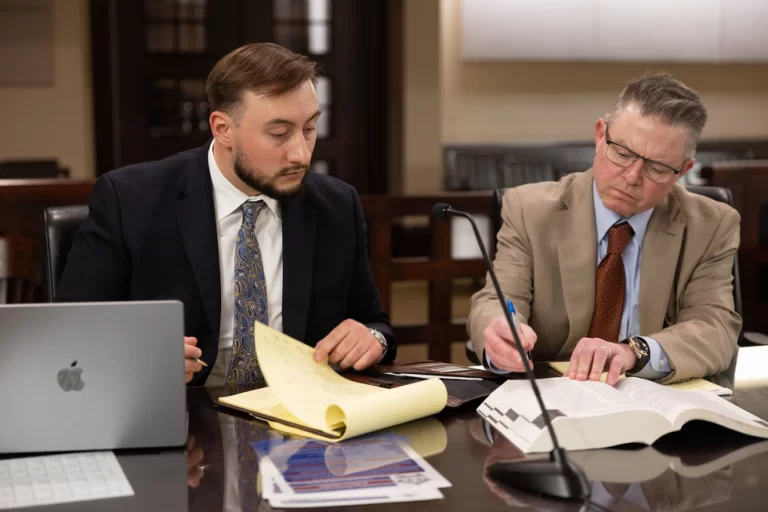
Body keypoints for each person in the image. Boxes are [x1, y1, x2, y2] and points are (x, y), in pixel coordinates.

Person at [57, 43, 395, 386]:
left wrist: (373, 338)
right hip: (179, 414)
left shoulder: (336, 205)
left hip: (300, 421)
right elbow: (70, 336)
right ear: (222, 129)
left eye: (309, 129)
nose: (301, 154)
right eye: (279, 134)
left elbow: (373, 322)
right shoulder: (130, 200)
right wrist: (138, 359)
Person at [468, 72, 740, 385]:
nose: (632, 176)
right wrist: (499, 332)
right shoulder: (529, 210)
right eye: (622, 153)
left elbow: (715, 327)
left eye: (658, 167)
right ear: (600, 135)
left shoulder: (712, 225)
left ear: (683, 171)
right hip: (553, 400)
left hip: (653, 401)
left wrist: (635, 352)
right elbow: (495, 301)